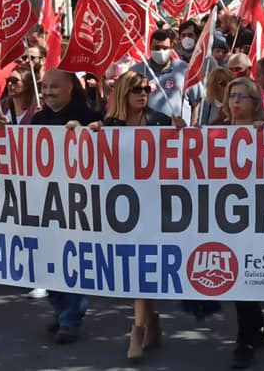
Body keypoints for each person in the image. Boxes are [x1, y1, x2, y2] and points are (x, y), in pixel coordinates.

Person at [84, 71, 183, 362]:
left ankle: (137, 330)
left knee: (142, 267)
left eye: (146, 89)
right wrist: (85, 130)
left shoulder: (161, 121)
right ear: (123, 93)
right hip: (123, 209)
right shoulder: (108, 125)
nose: (143, 93)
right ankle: (150, 322)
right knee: (137, 268)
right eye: (136, 89)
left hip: (156, 204)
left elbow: (183, 154)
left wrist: (182, 130)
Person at [33, 69, 102, 343]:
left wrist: (90, 133)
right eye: (45, 87)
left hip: (77, 205)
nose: (48, 92)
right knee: (46, 261)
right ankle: (62, 308)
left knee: (71, 261)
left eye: (55, 87)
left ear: (71, 89)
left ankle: (70, 317)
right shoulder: (38, 119)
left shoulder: (88, 117)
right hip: (42, 203)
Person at [210, 77, 264, 369]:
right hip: (225, 218)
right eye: (231, 95)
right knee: (236, 278)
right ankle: (250, 334)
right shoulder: (216, 132)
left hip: (258, 215)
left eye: (242, 96)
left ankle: (248, 336)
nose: (235, 100)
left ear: (254, 102)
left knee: (246, 276)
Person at [129, 29, 202, 122]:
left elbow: (197, 102)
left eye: (165, 48)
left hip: (178, 132)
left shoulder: (185, 70)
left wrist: (193, 127)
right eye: (157, 48)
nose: (161, 51)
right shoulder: (136, 71)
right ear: (150, 47)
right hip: (145, 132)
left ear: (172, 47)